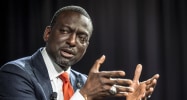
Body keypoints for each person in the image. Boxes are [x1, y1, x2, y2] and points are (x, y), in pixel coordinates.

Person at [0, 5, 159, 100]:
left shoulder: (83, 82)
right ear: (48, 33)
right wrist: (84, 95)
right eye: (65, 31)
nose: (72, 41)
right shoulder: (15, 74)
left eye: (82, 38)